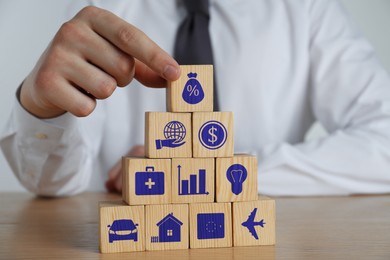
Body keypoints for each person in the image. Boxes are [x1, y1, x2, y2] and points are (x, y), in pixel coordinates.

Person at [1, 0, 390, 197]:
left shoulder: (306, 9)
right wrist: (42, 111)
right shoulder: (104, 11)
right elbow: (51, 185)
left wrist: (208, 176)